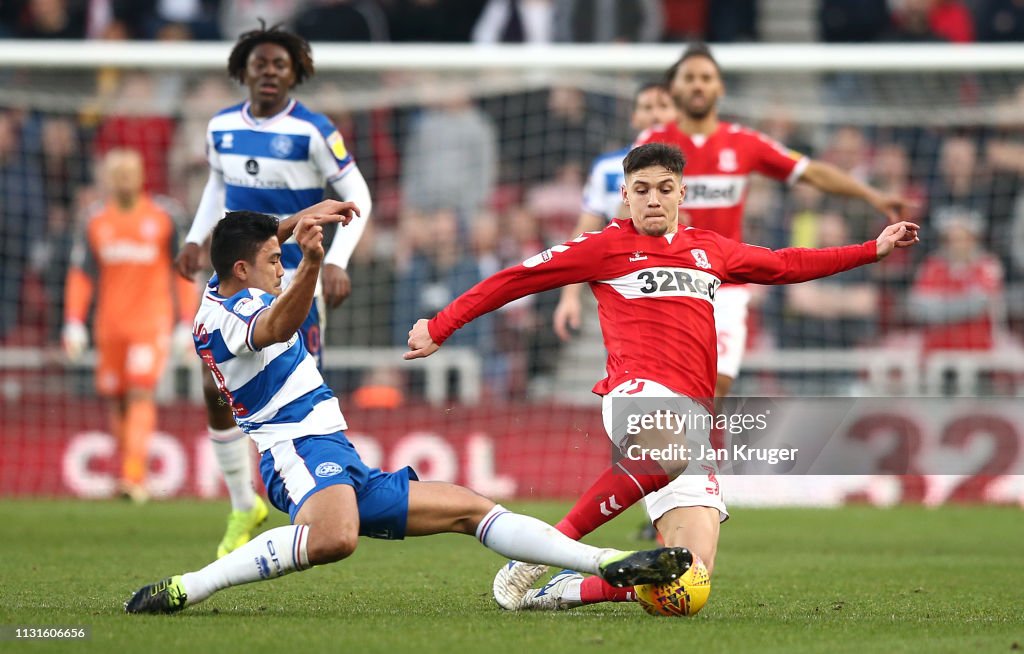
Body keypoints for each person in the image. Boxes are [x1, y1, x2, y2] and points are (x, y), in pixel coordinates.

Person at [404, 143, 919, 610]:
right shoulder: (602, 246)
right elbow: (515, 279)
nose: (653, 199)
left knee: (686, 578)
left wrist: (870, 249)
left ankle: (560, 593)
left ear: (681, 193)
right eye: (642, 190)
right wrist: (441, 325)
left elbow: (784, 263)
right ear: (625, 195)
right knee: (667, 449)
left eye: (664, 189)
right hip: (637, 390)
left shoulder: (710, 249)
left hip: (694, 413)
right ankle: (539, 552)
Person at [123, 200, 691, 614]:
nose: (283, 264)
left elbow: (251, 241)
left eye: (284, 256)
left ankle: (605, 562)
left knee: (471, 508)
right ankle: (190, 587)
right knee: (334, 538)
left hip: (337, 455)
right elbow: (276, 325)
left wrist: (296, 222)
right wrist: (313, 264)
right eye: (275, 259)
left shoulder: (237, 278)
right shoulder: (226, 318)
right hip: (290, 451)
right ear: (243, 270)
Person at [549, 42, 916, 580]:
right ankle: (645, 495)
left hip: (729, 280)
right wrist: (569, 290)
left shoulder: (742, 142)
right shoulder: (651, 150)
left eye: (706, 78)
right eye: (688, 79)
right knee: (669, 406)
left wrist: (871, 197)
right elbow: (600, 229)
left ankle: (673, 498)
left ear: (719, 88)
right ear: (674, 91)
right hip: (665, 283)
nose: (697, 87)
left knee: (706, 399)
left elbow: (809, 172)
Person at [174, 22, 374, 559]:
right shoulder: (220, 127)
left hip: (291, 280)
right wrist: (196, 238)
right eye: (260, 63)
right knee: (215, 385)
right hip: (234, 275)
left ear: (295, 74)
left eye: (280, 65)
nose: (269, 72)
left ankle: (317, 494)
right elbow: (217, 183)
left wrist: (335, 260)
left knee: (293, 389)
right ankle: (244, 502)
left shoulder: (313, 130)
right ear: (244, 70)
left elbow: (358, 195)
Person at [63, 148, 196, 502]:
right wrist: (73, 322)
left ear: (140, 176)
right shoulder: (95, 220)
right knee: (118, 400)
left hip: (151, 323)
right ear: (106, 177)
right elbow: (81, 274)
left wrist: (186, 322)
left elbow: (183, 272)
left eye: (129, 172)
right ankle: (128, 473)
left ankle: (133, 477)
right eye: (116, 172)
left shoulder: (165, 216)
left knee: (140, 391)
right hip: (110, 325)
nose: (123, 178)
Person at [553, 80, 676, 341]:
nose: (655, 114)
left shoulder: (700, 164)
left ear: (677, 114)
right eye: (647, 107)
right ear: (634, 118)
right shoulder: (608, 168)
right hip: (629, 288)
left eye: (664, 106)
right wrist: (570, 296)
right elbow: (583, 235)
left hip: (685, 284)